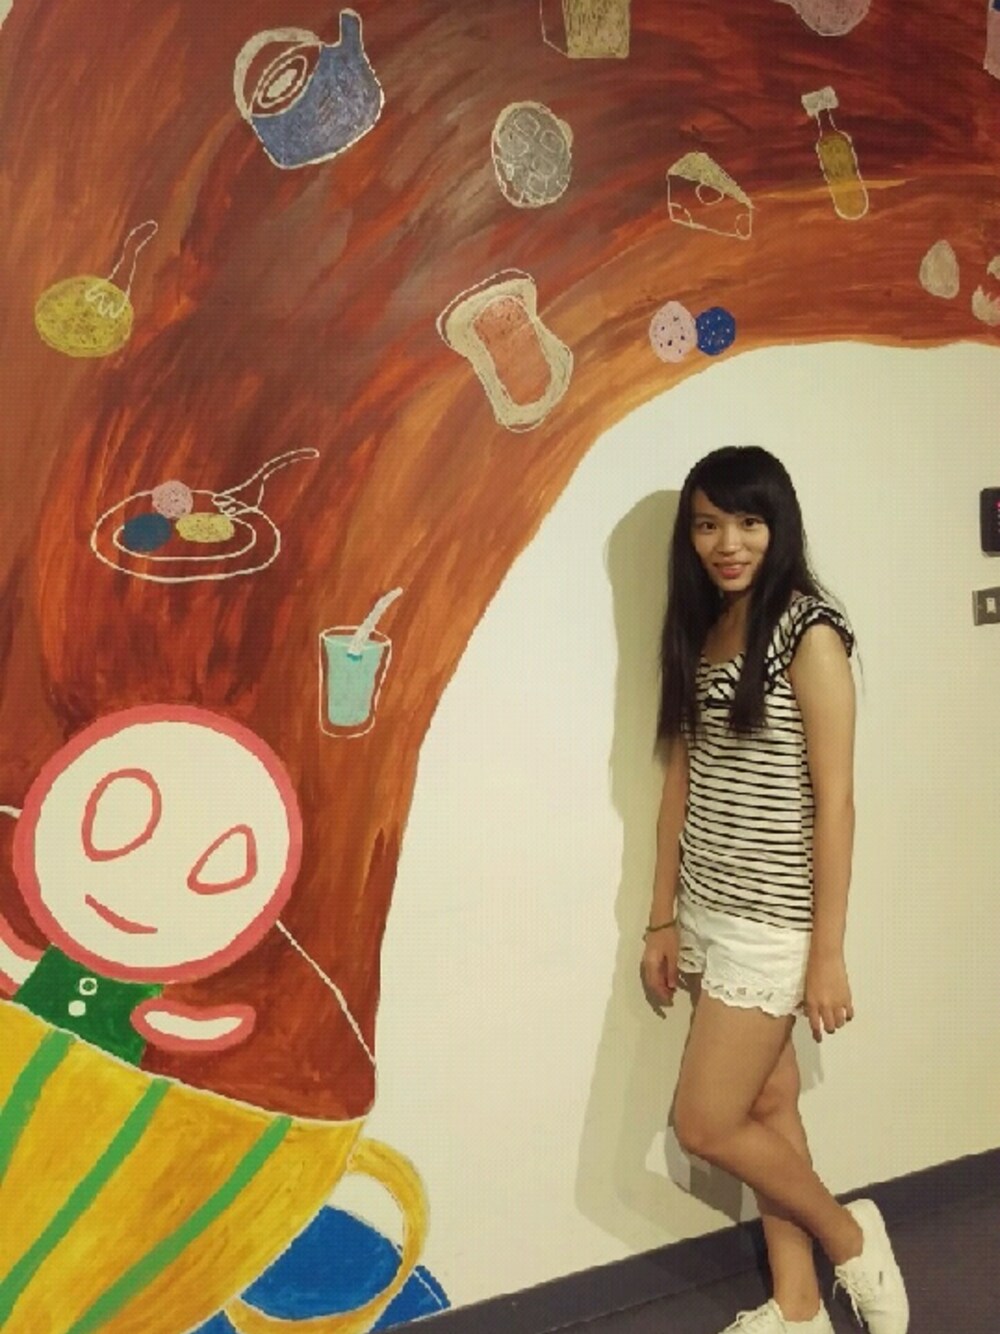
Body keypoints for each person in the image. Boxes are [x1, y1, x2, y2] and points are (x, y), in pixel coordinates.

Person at [641, 446, 908, 1334]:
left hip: (773, 921)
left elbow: (837, 803)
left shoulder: (808, 629)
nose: (728, 543)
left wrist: (827, 953)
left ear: (778, 525)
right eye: (708, 524)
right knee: (766, 1105)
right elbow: (681, 782)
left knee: (704, 1123)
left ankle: (850, 1237)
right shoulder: (703, 625)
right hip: (708, 908)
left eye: (748, 522)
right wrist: (661, 917)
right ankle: (798, 1310)